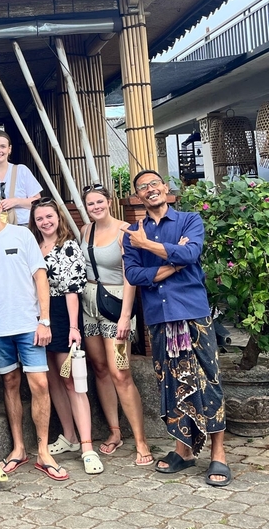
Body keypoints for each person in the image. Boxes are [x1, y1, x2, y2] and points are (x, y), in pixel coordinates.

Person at [122, 170, 231, 487]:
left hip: (192, 312)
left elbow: (191, 253)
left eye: (154, 184)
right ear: (139, 197)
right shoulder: (133, 232)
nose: (149, 189)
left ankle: (218, 454)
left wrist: (150, 248)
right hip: (159, 316)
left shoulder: (189, 220)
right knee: (170, 382)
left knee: (207, 379)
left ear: (165, 188)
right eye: (143, 187)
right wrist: (171, 260)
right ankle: (182, 451)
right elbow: (135, 274)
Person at [0, 188, 68, 481]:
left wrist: (45, 320)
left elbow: (40, 276)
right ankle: (19, 449)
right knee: (10, 384)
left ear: (0, 206)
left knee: (39, 383)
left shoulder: (21, 235)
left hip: (28, 323)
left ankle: (44, 452)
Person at [79, 184, 153, 466]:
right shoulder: (86, 231)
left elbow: (130, 275)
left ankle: (141, 440)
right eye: (90, 204)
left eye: (99, 202)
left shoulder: (125, 231)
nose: (95, 207)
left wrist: (126, 316)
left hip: (116, 304)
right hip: (89, 303)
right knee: (99, 367)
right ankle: (114, 431)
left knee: (120, 371)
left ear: (109, 202)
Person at [30, 199, 103, 475]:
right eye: (39, 219)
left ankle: (87, 446)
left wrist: (74, 327)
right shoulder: (33, 247)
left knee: (72, 380)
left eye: (49, 216)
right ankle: (69, 436)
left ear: (58, 218)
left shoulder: (69, 246)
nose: (45, 222)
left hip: (62, 312)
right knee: (52, 379)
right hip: (37, 314)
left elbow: (73, 290)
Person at [0, 130, 42, 225]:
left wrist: (16, 201)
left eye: (3, 146)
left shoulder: (22, 170)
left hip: (24, 226)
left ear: (9, 149)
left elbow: (37, 202)